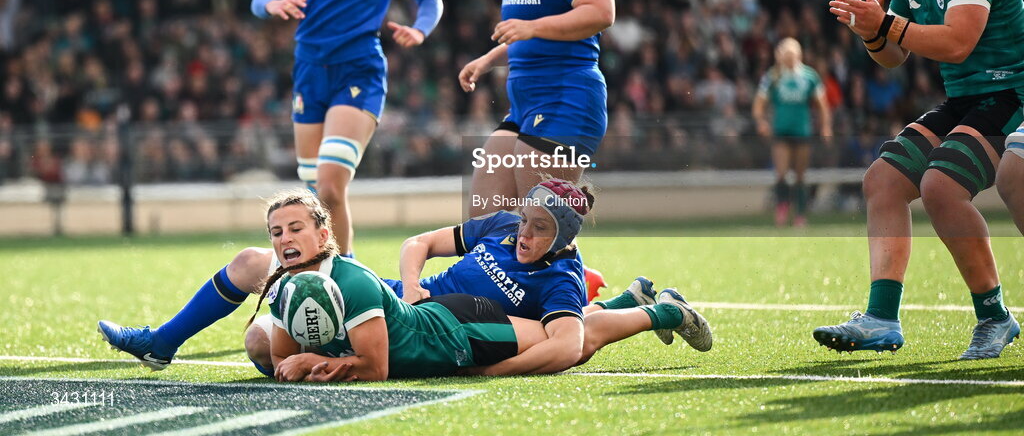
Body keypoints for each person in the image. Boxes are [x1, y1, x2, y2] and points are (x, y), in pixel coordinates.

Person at [98, 180, 712, 371]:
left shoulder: (561, 278)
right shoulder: (500, 225)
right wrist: (413, 283)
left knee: (583, 338)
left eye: (540, 231)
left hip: (465, 329)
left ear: (565, 240)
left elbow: (566, 343)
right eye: (525, 223)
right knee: (252, 269)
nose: (524, 235)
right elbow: (418, 243)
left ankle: (660, 310)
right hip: (408, 304)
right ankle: (164, 342)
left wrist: (486, 370)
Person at [814, 0, 1023, 359]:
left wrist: (886, 24)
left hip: (1012, 92)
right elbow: (895, 57)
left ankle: (995, 317)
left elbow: (956, 43)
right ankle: (882, 318)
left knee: (940, 187)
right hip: (966, 98)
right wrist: (871, 33)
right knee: (882, 181)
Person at [249, 0, 442, 254]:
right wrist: (272, 3)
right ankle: (323, 275)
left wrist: (420, 30)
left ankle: (347, 275)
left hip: (359, 70)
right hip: (309, 70)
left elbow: (430, 0)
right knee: (312, 194)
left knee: (330, 184)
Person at [458, 0, 614, 217]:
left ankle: (581, 275)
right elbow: (532, 36)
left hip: (565, 100)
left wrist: (532, 27)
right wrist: (488, 60)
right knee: (486, 220)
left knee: (542, 225)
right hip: (525, 106)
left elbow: (601, 13)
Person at [752, 38, 832, 227]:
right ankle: (782, 209)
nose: (788, 58)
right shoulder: (773, 76)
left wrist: (825, 126)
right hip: (781, 131)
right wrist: (761, 121)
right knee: (781, 173)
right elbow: (759, 103)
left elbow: (822, 105)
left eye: (791, 54)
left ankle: (800, 214)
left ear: (799, 55)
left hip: (802, 131)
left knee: (800, 175)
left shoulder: (809, 76)